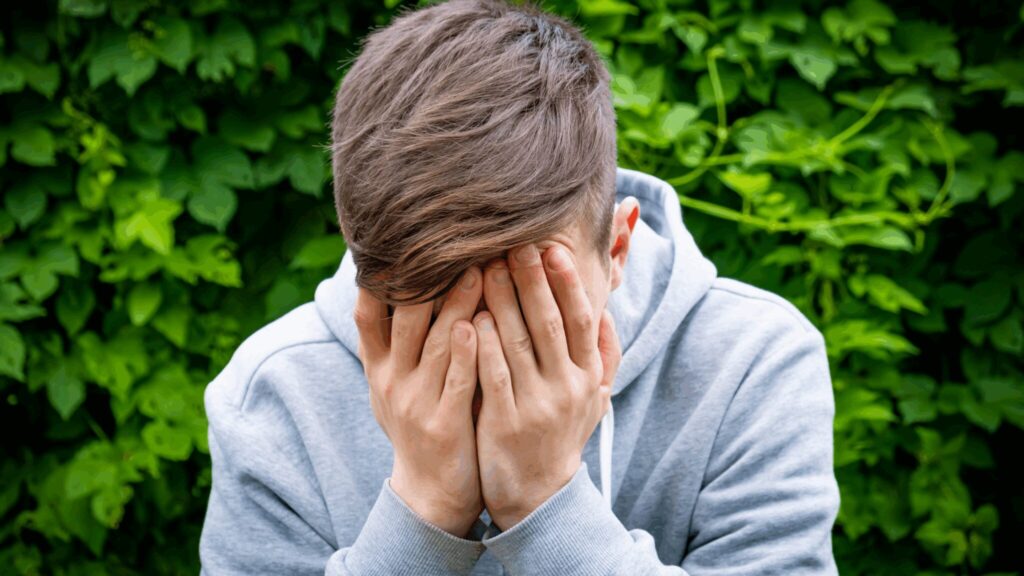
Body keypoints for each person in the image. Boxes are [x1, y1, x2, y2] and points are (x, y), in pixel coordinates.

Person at [197, 0, 841, 574]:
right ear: (365, 265)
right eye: (431, 310)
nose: (486, 356)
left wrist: (546, 501)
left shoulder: (752, 363)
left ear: (615, 247)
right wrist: (422, 512)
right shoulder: (272, 395)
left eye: (534, 305)